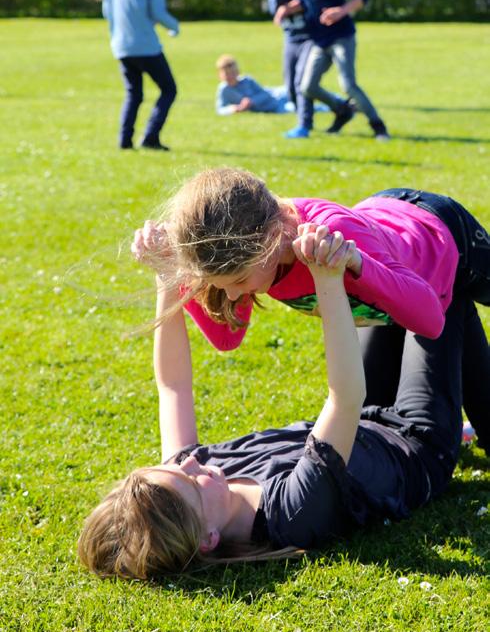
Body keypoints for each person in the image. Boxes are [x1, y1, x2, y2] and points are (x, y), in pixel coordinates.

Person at [78, 224, 489, 580]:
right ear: (208, 539)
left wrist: (166, 276)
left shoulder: (191, 478)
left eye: (172, 466)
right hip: (414, 444)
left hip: (366, 419)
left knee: (397, 292)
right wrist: (328, 281)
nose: (189, 462)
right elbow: (344, 399)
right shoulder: (291, 514)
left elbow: (173, 387)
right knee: (442, 292)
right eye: (190, 480)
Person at [131, 167, 490, 459]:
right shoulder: (245, 253)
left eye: (238, 280)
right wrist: (169, 269)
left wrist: (356, 263)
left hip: (437, 232)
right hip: (386, 293)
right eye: (221, 283)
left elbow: (430, 319)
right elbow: (227, 337)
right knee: (373, 420)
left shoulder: (330, 236)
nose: (232, 293)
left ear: (273, 238)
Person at [282, 0, 389, 141]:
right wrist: (287, 9)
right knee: (307, 87)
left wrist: (341, 11)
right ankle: (342, 109)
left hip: (342, 37)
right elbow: (303, 1)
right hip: (318, 40)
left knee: (348, 85)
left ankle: (378, 126)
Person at [102, 0, 179, 151]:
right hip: (146, 47)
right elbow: (158, 13)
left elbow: (107, 12)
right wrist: (174, 27)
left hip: (121, 47)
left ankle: (125, 141)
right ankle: (151, 137)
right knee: (169, 89)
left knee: (133, 93)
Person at [268, 0, 313, 108]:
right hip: (290, 38)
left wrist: (288, 9)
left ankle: (306, 120)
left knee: (303, 79)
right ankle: (301, 112)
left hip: (309, 37)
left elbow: (308, 0)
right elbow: (274, 9)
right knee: (291, 84)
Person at [215, 54, 294, 115]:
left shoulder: (247, 81)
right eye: (226, 74)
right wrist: (232, 109)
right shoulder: (224, 89)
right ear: (220, 75)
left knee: (297, 92)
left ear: (238, 72)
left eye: (232, 73)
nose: (230, 76)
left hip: (277, 97)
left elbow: (265, 94)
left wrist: (251, 101)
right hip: (274, 107)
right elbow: (220, 109)